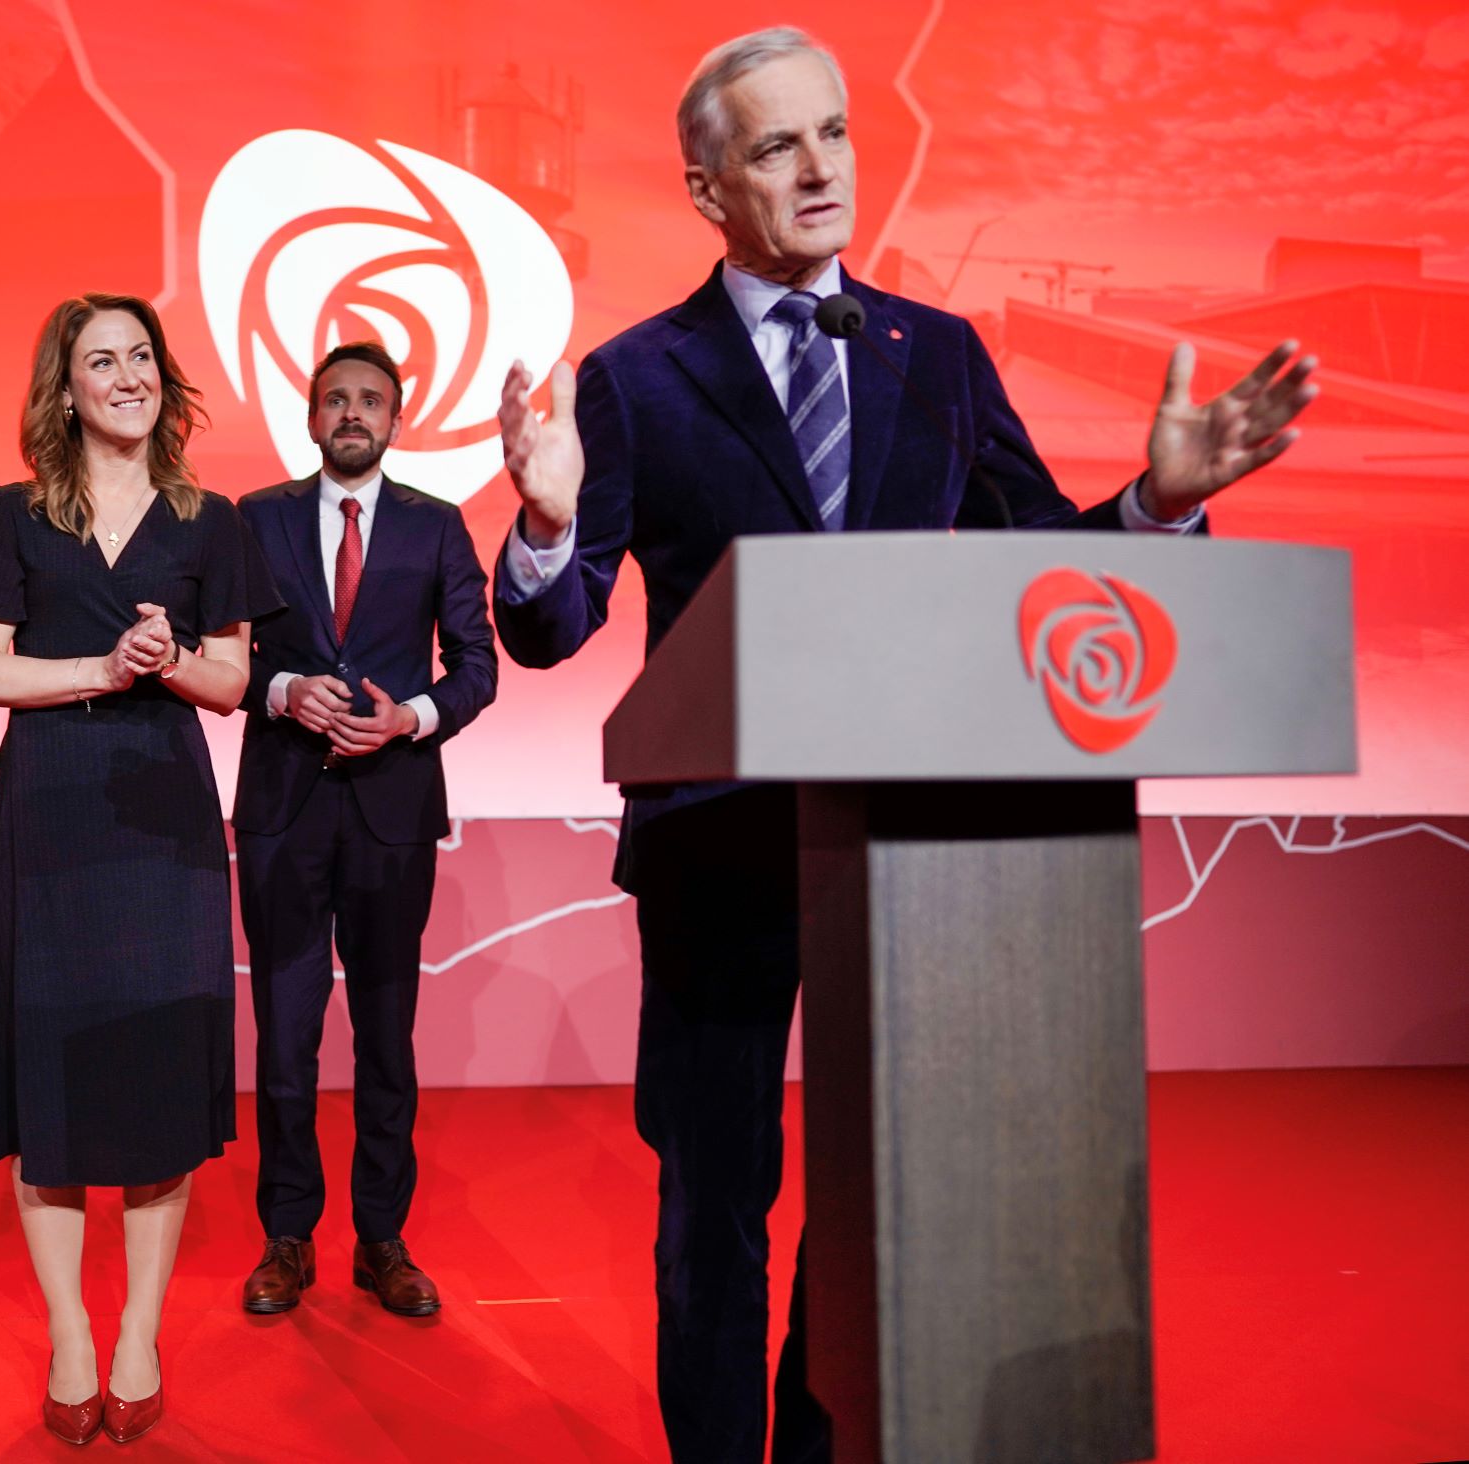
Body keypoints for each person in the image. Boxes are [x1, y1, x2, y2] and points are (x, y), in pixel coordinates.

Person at [492, 27, 1320, 1464]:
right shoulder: (635, 377)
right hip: (718, 845)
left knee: (878, 1194)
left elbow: (1041, 569)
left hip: (911, 851)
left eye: (835, 132)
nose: (821, 167)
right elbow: (550, 632)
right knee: (714, 1203)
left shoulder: (936, 354)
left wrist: (1157, 506)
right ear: (707, 190)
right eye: (777, 145)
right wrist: (551, 522)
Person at [0, 292, 281, 1447]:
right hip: (53, 815)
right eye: (102, 361)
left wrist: (166, 660)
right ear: (66, 389)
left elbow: (232, 682)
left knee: (157, 1081)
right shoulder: (14, 515)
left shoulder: (211, 520)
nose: (127, 376)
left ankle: (138, 1334)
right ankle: (71, 1334)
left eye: (142, 357)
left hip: (166, 824)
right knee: (56, 1083)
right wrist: (100, 667)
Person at [232, 342, 499, 1318]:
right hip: (283, 810)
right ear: (311, 417)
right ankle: (288, 1236)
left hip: (394, 812)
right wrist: (281, 690)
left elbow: (476, 664)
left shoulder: (438, 525)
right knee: (284, 1038)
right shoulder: (254, 517)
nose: (353, 413)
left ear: (396, 418)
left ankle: (381, 1239)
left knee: (387, 1036)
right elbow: (222, 655)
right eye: (336, 399)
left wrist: (408, 719)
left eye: (371, 400)